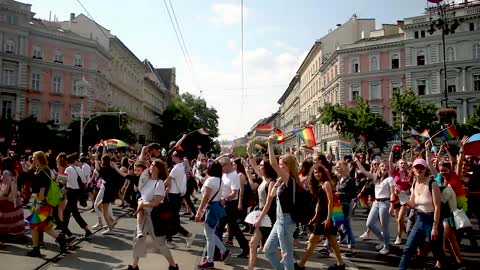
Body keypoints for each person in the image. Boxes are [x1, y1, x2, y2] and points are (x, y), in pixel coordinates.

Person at [127, 159, 179, 270]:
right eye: (151, 164)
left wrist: (142, 203)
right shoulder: (146, 179)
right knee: (138, 241)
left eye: (154, 165)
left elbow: (156, 202)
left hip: (153, 216)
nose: (151, 166)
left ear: (159, 169)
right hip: (142, 214)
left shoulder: (159, 183)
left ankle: (173, 266)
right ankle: (134, 266)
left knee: (160, 243)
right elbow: (140, 163)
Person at [398, 158, 446, 270]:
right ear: (413, 169)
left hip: (431, 219)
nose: (419, 169)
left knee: (437, 252)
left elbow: (437, 206)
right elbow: (413, 204)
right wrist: (400, 195)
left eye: (422, 167)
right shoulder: (415, 183)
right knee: (407, 250)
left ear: (426, 169)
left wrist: (435, 227)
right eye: (417, 167)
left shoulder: (432, 183)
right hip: (419, 219)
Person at [295, 164, 345, 270]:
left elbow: (330, 201)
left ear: (323, 172)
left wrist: (328, 218)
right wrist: (315, 216)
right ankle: (340, 264)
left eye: (319, 172)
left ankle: (301, 265)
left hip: (326, 216)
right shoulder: (319, 184)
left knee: (313, 240)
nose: (317, 174)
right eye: (315, 172)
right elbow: (319, 203)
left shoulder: (326, 184)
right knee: (331, 239)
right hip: (322, 216)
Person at [263, 134, 300, 270]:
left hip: (286, 221)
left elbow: (272, 163)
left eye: (281, 166)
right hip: (279, 221)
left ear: (288, 167)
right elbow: (272, 194)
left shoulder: (290, 179)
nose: (278, 168)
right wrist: (278, 181)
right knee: (268, 250)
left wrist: (270, 143)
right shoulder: (284, 181)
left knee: (286, 254)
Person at [26, 151, 67, 257]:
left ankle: (37, 248)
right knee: (41, 226)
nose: (32, 160)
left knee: (35, 225)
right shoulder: (46, 170)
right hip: (45, 203)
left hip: (41, 203)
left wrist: (36, 200)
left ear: (39, 159)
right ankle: (58, 239)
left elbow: (42, 192)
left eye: (34, 158)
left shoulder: (41, 172)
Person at [195, 161, 231, 268]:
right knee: (210, 234)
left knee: (209, 236)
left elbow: (206, 197)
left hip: (211, 208)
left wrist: (199, 211)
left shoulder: (210, 180)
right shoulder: (220, 180)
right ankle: (223, 251)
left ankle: (210, 260)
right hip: (216, 208)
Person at [246, 143, 277, 270]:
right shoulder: (263, 179)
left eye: (262, 166)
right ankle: (250, 268)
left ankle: (286, 264)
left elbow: (269, 203)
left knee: (270, 249)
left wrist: (259, 219)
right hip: (260, 213)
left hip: (268, 216)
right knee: (253, 244)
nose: (259, 167)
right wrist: (249, 152)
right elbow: (253, 165)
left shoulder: (271, 182)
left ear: (267, 168)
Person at [355, 159, 395, 254]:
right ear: (379, 168)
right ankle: (383, 239)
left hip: (385, 203)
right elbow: (364, 171)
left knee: (384, 226)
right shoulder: (375, 177)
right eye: (382, 166)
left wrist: (392, 206)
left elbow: (393, 193)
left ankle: (386, 247)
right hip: (376, 203)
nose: (384, 167)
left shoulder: (390, 179)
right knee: (369, 224)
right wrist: (357, 161)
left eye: (386, 166)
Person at [61, 153, 93, 239]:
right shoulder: (79, 169)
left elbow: (63, 182)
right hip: (77, 192)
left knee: (67, 213)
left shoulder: (67, 169)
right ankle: (87, 230)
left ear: (67, 161)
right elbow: (84, 182)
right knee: (74, 213)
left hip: (70, 192)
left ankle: (64, 234)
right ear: (74, 161)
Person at [0, 157, 25, 239]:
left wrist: (4, 195)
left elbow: (6, 185)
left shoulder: (5, 172)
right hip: (14, 195)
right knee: (13, 214)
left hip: (7, 196)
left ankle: (4, 232)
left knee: (4, 214)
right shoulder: (14, 171)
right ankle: (15, 232)